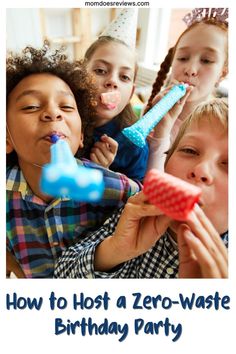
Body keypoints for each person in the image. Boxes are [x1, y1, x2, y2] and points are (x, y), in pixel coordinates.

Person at [6, 44, 142, 278]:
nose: (53, 113)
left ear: (81, 137)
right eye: (31, 106)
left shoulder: (110, 187)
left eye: (66, 107)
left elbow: (145, 204)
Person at [54, 97, 228, 279]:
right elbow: (62, 274)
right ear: (166, 164)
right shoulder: (138, 211)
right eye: (190, 151)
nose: (201, 170)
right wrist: (114, 250)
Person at [146, 8, 228, 171]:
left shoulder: (224, 127)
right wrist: (160, 133)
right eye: (183, 58)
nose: (190, 69)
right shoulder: (152, 117)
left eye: (206, 60)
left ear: (222, 73)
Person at [83, 9, 149, 181]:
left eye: (124, 77)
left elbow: (136, 200)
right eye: (100, 70)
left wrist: (106, 174)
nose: (112, 81)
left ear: (131, 93)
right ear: (80, 75)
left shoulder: (135, 145)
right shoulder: (63, 120)